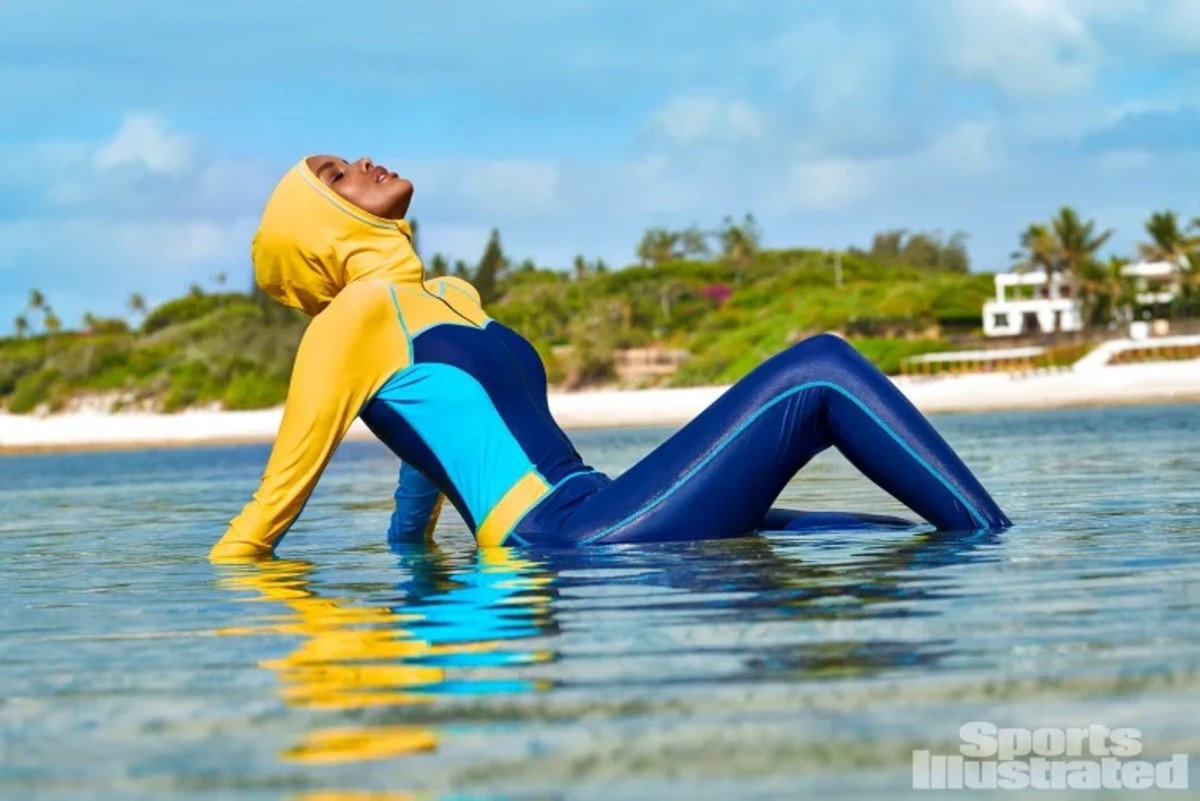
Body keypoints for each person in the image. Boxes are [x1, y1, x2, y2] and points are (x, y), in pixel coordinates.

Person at [209, 155, 1010, 560]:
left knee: (877, 533)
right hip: (568, 539)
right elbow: (271, 508)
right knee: (820, 372)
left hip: (604, 504)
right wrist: (243, 604)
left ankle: (986, 554)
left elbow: (431, 447)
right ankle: (1006, 555)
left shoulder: (450, 293)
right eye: (336, 177)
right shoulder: (347, 321)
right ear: (319, 231)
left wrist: (412, 556)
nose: (364, 164)